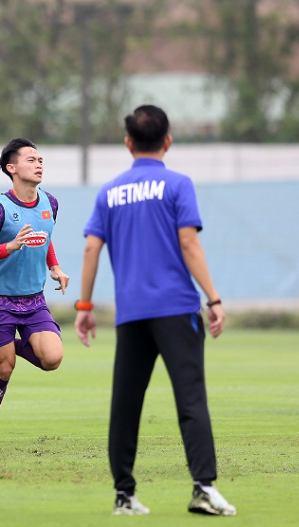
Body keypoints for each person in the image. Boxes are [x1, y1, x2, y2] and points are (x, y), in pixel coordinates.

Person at [74, 105, 236, 516]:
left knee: (126, 403)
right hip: (176, 309)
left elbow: (92, 247)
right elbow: (189, 244)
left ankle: (124, 495)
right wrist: (214, 298)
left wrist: (85, 306)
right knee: (191, 401)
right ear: (168, 140)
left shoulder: (109, 191)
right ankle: (203, 488)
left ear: (128, 143)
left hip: (131, 313)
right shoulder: (178, 184)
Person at [0, 138, 69, 442]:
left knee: (52, 359)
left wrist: (55, 267)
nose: (38, 164)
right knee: (5, 366)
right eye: (31, 160)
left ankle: (0, 344)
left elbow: (44, 236)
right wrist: (7, 247)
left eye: (40, 160)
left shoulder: (50, 203)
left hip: (33, 299)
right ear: (12, 168)